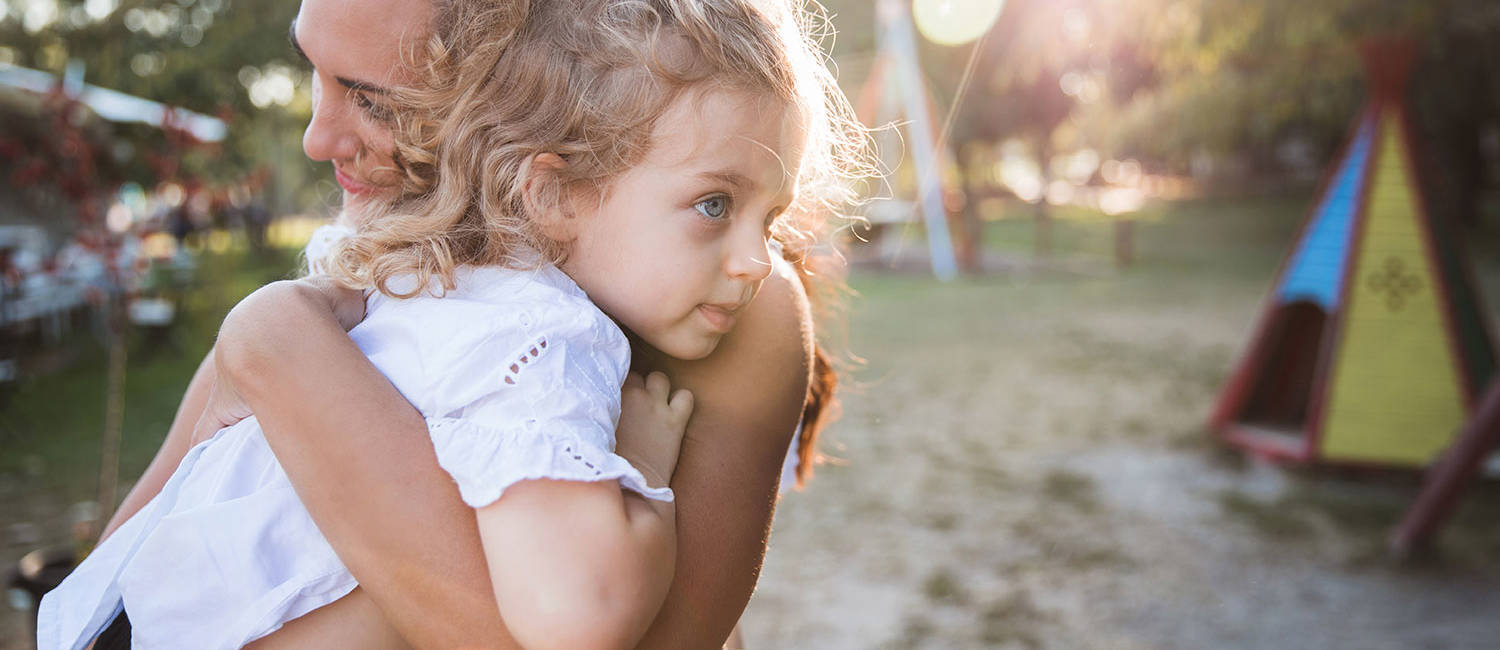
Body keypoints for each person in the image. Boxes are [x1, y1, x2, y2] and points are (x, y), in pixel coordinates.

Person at [89, 0, 868, 647]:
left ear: (514, 92)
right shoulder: (383, 273)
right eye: (314, 74)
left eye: (372, 99)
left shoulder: (728, 310)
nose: (317, 137)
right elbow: (112, 575)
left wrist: (276, 349)